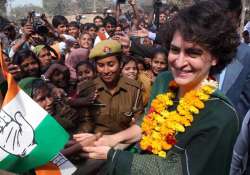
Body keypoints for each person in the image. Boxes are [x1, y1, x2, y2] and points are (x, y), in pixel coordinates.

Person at [75, 2, 239, 175]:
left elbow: (181, 170)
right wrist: (109, 139)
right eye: (175, 50)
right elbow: (146, 123)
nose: (179, 62)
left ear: (215, 57)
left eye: (193, 53)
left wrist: (112, 156)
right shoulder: (164, 81)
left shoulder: (221, 115)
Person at [72, 40, 143, 175]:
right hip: (95, 145)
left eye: (111, 65)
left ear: (121, 64)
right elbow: (84, 122)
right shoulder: (87, 89)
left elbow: (138, 123)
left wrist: (119, 145)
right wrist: (88, 142)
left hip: (124, 145)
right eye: (100, 65)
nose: (106, 71)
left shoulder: (134, 88)